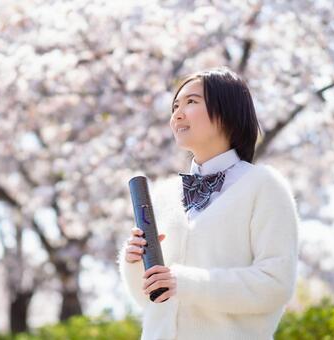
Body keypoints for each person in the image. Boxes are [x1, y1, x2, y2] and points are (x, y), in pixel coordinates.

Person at [117, 66, 299, 340]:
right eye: (175, 106)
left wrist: (185, 282)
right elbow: (152, 303)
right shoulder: (164, 195)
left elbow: (275, 284)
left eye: (191, 102)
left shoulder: (264, 186)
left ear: (228, 111)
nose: (177, 113)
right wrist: (134, 262)